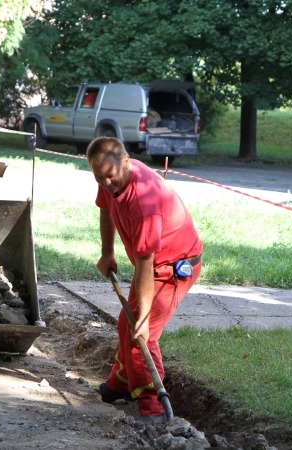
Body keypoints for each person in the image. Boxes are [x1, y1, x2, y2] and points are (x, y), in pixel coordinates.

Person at [87, 136, 203, 425]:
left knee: (142, 332)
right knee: (128, 322)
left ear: (126, 162)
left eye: (110, 177)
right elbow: (106, 208)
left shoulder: (144, 202)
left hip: (173, 267)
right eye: (99, 177)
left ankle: (153, 409)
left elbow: (146, 263)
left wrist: (146, 314)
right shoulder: (111, 176)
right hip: (151, 263)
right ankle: (120, 384)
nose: (105, 183)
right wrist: (107, 252)